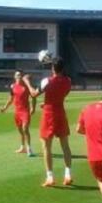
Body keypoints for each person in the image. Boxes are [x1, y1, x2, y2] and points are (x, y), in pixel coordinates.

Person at [22, 58, 73, 187]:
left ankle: (50, 177)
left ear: (52, 68)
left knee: (46, 147)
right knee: (65, 145)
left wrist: (27, 81)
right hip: (60, 112)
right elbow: (62, 94)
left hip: (49, 115)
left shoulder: (47, 81)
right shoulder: (68, 81)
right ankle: (68, 175)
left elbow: (33, 94)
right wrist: (48, 102)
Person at [0, 70, 36, 157]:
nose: (19, 77)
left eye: (20, 75)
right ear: (14, 77)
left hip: (25, 111)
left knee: (25, 129)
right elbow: (11, 99)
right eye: (17, 75)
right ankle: (22, 147)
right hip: (17, 112)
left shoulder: (26, 86)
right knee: (20, 131)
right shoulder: (13, 86)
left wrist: (33, 108)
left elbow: (34, 97)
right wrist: (5, 108)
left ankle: (29, 148)